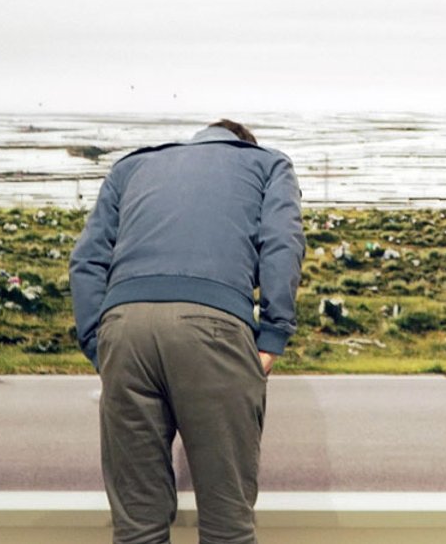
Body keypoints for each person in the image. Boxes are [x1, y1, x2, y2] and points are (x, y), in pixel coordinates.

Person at [70, 119, 305, 544]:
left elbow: (87, 260)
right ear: (243, 143)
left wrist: (96, 341)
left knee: (137, 527)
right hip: (213, 326)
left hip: (124, 327)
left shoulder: (132, 166)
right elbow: (282, 243)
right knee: (226, 525)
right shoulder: (268, 164)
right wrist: (274, 334)